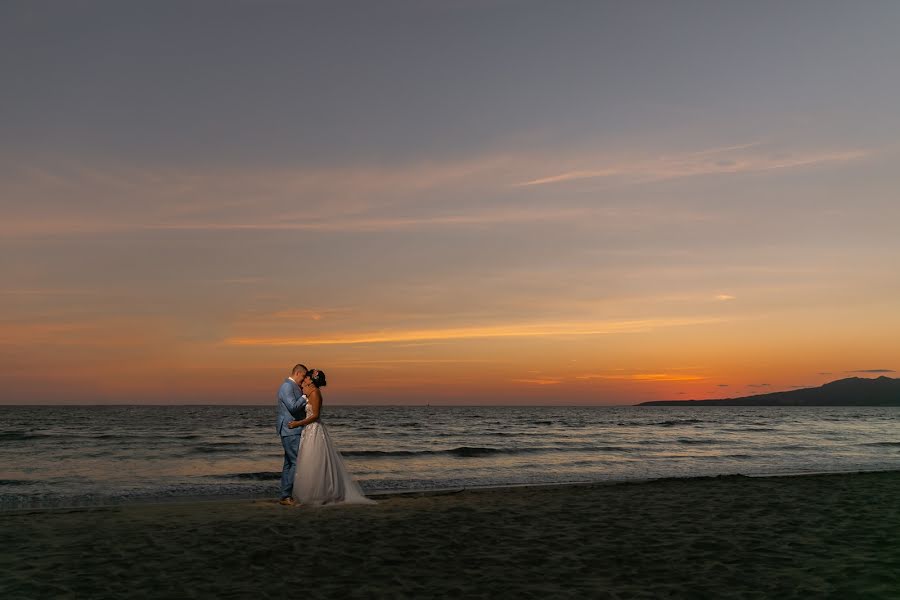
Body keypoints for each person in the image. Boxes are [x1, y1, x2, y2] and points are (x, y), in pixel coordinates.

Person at [289, 369, 374, 505]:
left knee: (315, 459)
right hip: (308, 430)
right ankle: (310, 492)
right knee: (308, 459)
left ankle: (321, 493)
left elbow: (315, 415)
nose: (305, 378)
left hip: (315, 430)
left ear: (311, 380)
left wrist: (297, 424)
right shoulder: (308, 392)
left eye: (307, 377)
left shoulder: (316, 394)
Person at [276, 364, 308, 506]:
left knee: (289, 463)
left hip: (293, 429)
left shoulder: (293, 386)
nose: (304, 379)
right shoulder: (287, 386)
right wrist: (305, 396)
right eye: (303, 376)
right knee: (295, 462)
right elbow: (292, 407)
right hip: (290, 429)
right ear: (298, 373)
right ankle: (286, 496)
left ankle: (285, 495)